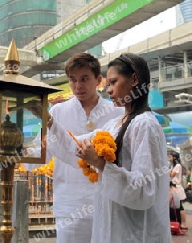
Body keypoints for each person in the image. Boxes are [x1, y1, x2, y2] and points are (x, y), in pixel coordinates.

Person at [48, 53, 170, 242]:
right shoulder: (115, 124)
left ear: (134, 80)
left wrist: (100, 163)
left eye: (113, 83)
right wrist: (48, 120)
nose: (109, 90)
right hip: (112, 223)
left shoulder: (145, 125)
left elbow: (144, 190)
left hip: (134, 229)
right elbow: (76, 147)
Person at [25, 52, 123, 242]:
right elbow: (42, 152)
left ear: (99, 80)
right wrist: (15, 152)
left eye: (85, 79)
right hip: (70, 203)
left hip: (108, 202)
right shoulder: (58, 111)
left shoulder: (116, 112)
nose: (78, 86)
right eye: (73, 80)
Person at [168, 151, 188, 230]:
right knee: (175, 206)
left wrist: (167, 171)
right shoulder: (174, 166)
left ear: (174, 157)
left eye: (170, 157)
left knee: (180, 206)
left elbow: (171, 175)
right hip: (173, 188)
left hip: (177, 188)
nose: (169, 158)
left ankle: (183, 223)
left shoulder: (178, 165)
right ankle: (177, 222)